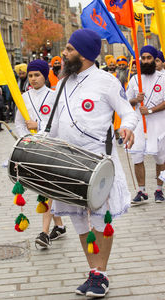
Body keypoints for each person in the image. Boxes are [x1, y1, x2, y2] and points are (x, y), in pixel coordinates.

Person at [30, 29, 138, 298]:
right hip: (66, 162)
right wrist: (38, 142)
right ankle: (93, 272)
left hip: (98, 163)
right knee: (79, 222)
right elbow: (51, 125)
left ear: (85, 54)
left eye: (68, 49)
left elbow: (128, 113)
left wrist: (127, 128)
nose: (63, 54)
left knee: (101, 222)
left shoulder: (107, 81)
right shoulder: (62, 83)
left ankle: (101, 274)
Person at [15, 59, 66, 248]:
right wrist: (27, 138)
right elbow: (19, 123)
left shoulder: (54, 96)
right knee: (44, 187)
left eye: (37, 75)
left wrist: (40, 127)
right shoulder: (24, 97)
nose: (34, 78)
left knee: (47, 189)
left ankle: (44, 233)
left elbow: (59, 124)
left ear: (45, 76)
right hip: (32, 148)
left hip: (51, 147)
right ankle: (59, 226)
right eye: (30, 75)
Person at [126, 45, 165, 204]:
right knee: (137, 156)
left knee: (160, 158)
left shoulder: (162, 78)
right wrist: (136, 100)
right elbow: (126, 101)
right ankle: (141, 191)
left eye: (149, 58)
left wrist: (149, 111)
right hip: (139, 126)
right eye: (144, 58)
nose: (146, 61)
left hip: (158, 124)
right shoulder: (135, 79)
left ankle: (159, 189)